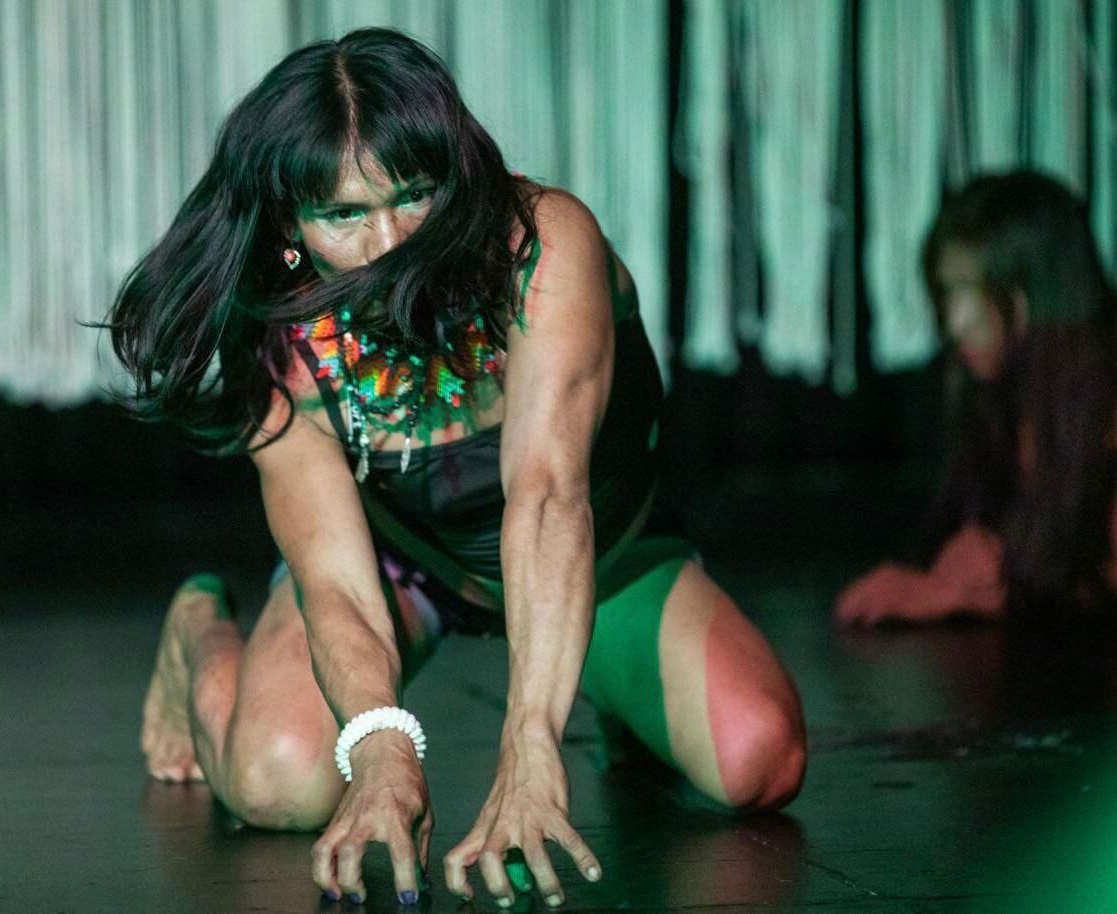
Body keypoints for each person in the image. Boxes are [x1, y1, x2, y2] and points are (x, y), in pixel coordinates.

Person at [108, 28, 806, 909]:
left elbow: (549, 497)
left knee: (760, 759)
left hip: (594, 555)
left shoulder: (542, 247)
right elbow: (336, 583)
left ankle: (603, 696)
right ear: (290, 225)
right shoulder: (282, 340)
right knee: (276, 781)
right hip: (400, 568)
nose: (391, 240)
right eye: (343, 215)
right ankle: (198, 627)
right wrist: (381, 752)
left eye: (413, 197)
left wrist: (530, 746)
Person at [837, 171, 1117, 627]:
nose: (955, 322)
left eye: (972, 290)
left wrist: (999, 582)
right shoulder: (1006, 405)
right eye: (947, 294)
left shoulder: (1101, 408)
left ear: (1030, 290)